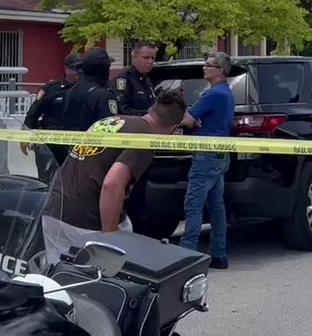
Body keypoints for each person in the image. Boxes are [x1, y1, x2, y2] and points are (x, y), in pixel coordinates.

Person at [40, 89, 187, 263]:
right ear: (172, 129)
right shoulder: (146, 138)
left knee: (59, 280)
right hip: (86, 219)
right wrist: (110, 237)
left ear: (151, 110)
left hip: (55, 208)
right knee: (104, 280)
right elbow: (112, 184)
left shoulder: (113, 120)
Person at [178, 51, 235, 270]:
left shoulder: (212, 94)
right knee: (216, 206)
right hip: (220, 154)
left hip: (205, 156)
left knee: (193, 205)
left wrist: (192, 119)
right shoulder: (226, 93)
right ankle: (219, 253)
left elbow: (187, 120)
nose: (204, 67)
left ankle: (187, 257)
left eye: (208, 64)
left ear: (219, 70)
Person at [114, 42, 158, 223]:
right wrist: (148, 117)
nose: (150, 62)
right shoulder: (124, 80)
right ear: (134, 58)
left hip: (146, 145)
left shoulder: (147, 81)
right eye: (146, 58)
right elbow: (121, 110)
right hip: (129, 146)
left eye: (153, 58)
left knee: (141, 194)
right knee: (129, 195)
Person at [21, 53, 82, 180]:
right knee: (48, 181)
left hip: (75, 143)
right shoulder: (52, 89)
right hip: (50, 144)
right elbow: (33, 113)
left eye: (81, 68)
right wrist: (24, 136)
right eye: (75, 68)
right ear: (66, 69)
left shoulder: (85, 90)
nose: (78, 72)